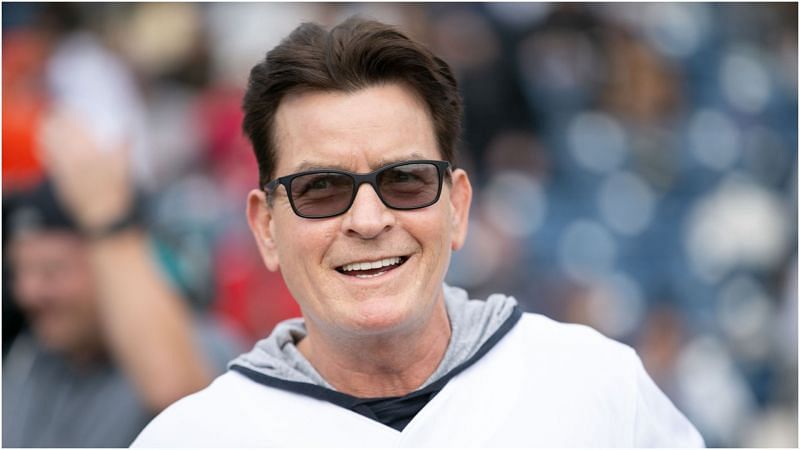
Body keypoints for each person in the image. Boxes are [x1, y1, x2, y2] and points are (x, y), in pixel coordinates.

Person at [132, 17, 705, 447]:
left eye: (404, 180)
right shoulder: (193, 439)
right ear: (266, 228)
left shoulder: (595, 384)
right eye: (322, 189)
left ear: (457, 207)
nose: (368, 220)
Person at [2, 110, 242, 447]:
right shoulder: (33, 359)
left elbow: (179, 396)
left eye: (52, 271)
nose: (29, 292)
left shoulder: (204, 343)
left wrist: (107, 218)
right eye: (19, 272)